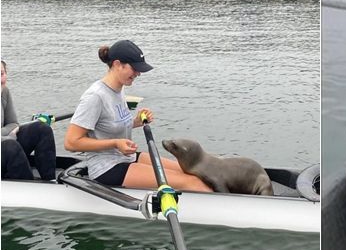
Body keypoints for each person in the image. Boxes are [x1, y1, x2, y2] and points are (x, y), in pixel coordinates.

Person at [64, 40, 212, 192]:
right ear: (117, 64)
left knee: (195, 172)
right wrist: (115, 143)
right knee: (193, 183)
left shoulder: (119, 88)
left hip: (126, 157)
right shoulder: (95, 96)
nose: (138, 74)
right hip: (106, 168)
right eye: (134, 68)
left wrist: (135, 121)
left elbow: (109, 124)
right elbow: (71, 142)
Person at [1, 60, 56, 181]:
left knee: (42, 128)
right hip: (7, 146)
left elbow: (13, 124)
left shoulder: (4, 92)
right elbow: (10, 131)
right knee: (10, 146)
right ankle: (30, 190)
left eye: (1, 74)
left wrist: (6, 135)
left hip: (7, 142)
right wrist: (8, 137)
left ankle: (51, 181)